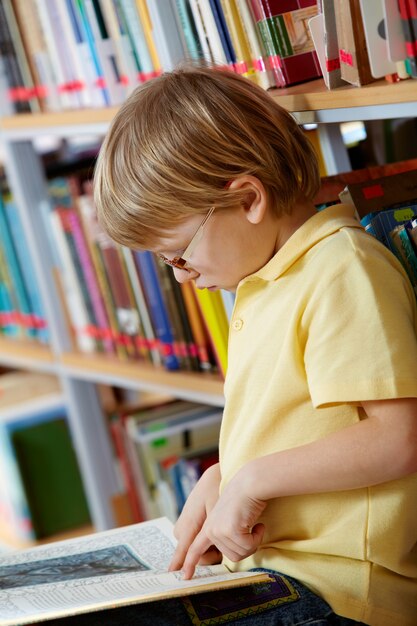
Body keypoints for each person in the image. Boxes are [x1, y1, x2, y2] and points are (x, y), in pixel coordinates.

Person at [91, 64, 417, 626]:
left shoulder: (341, 270)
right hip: (278, 573)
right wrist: (224, 477)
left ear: (246, 199)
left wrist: (253, 480)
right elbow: (301, 425)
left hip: (340, 591)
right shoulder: (263, 283)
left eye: (177, 254)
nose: (181, 277)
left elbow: (398, 438)